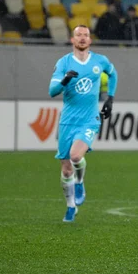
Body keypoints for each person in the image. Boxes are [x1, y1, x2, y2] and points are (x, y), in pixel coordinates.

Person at [49, 25, 118, 222]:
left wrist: (110, 98)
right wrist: (64, 80)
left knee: (75, 156)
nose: (82, 38)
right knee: (65, 168)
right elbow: (52, 91)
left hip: (89, 119)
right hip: (67, 121)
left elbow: (113, 74)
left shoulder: (99, 61)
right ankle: (71, 206)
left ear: (90, 40)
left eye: (85, 35)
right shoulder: (63, 63)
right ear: (72, 39)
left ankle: (80, 182)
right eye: (78, 35)